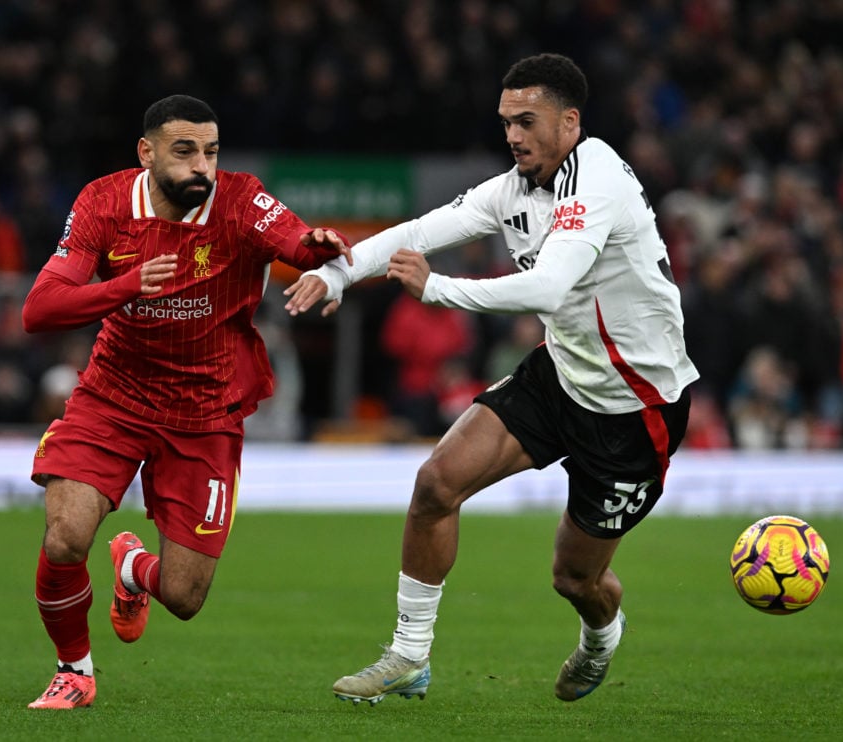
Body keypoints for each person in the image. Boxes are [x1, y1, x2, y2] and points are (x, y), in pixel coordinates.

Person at [285, 53, 698, 704]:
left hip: (633, 411)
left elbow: (549, 283)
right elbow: (420, 229)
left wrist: (438, 288)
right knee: (435, 485)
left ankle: (601, 636)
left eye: (527, 121)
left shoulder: (598, 179)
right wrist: (337, 272)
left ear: (569, 122)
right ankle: (409, 656)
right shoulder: (512, 190)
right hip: (560, 376)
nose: (513, 135)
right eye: (506, 122)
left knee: (574, 579)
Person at [22, 94, 351, 709]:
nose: (202, 165)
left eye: (211, 151)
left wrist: (323, 253)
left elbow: (299, 241)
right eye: (185, 151)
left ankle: (132, 570)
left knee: (184, 597)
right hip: (113, 398)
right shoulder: (104, 201)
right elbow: (39, 308)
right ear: (146, 153)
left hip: (205, 413)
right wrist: (122, 287)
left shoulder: (238, 198)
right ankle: (75, 670)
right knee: (65, 536)